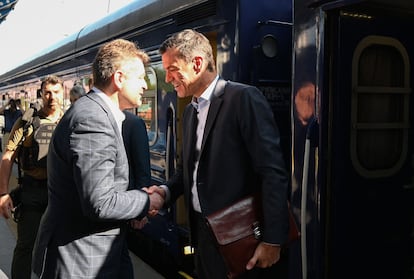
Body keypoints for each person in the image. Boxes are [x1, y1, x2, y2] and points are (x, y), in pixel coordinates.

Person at [148, 29, 290, 278]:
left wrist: (273, 240)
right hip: (203, 235)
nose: (168, 78)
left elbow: (272, 172)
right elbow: (188, 171)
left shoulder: (243, 98)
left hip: (242, 237)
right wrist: (166, 192)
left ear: (197, 63)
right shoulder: (190, 112)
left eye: (172, 69)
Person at [32, 38, 164, 279]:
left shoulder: (95, 113)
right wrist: (147, 201)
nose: (144, 85)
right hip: (83, 261)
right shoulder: (92, 119)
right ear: (119, 78)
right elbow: (99, 202)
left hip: (97, 252)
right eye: (140, 78)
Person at [0, 75, 65, 279]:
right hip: (32, 193)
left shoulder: (70, 120)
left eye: (56, 92)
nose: (51, 96)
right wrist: (3, 193)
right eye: (47, 92)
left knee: (61, 247)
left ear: (62, 93)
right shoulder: (27, 121)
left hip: (61, 194)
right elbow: (8, 156)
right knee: (26, 246)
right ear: (41, 94)